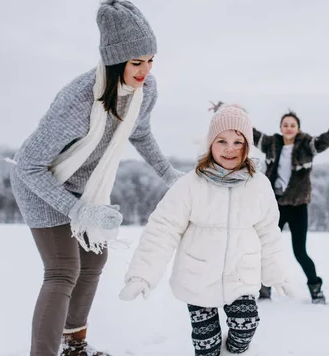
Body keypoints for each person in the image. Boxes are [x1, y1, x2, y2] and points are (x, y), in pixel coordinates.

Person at [10, 0, 183, 356]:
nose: (145, 71)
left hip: (85, 190)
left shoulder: (143, 91)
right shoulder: (78, 100)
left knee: (94, 259)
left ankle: (73, 345)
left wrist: (169, 174)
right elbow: (29, 166)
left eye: (151, 60)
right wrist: (78, 212)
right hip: (42, 184)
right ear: (114, 60)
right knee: (62, 270)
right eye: (137, 62)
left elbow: (140, 131)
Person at [119, 105, 293, 356]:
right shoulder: (190, 184)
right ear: (210, 144)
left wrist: (276, 274)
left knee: (246, 328)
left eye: (237, 141)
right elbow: (162, 229)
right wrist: (142, 274)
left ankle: (233, 351)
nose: (230, 148)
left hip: (241, 275)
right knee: (206, 345)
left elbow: (269, 233)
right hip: (197, 277)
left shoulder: (259, 186)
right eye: (221, 140)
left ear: (248, 146)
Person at [209, 102, 329, 304]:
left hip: (298, 206)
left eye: (293, 125)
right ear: (281, 127)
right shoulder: (271, 144)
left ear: (298, 128)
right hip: (274, 206)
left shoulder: (308, 146)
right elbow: (247, 130)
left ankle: (316, 289)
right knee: (264, 248)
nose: (289, 128)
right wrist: (222, 109)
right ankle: (264, 289)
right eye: (285, 124)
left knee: (300, 252)